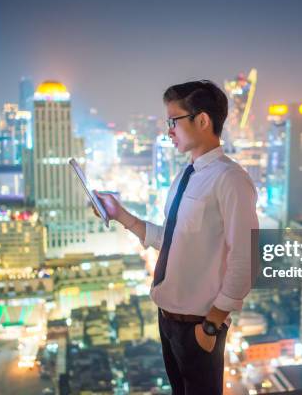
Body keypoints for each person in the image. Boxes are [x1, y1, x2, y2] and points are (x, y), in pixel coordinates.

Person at [95, 80, 258, 394]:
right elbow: (170, 241)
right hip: (168, 321)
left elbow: (246, 259)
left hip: (198, 325)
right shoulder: (187, 176)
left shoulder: (231, 180)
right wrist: (120, 214)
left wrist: (211, 324)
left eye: (173, 120)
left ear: (202, 120)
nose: (168, 129)